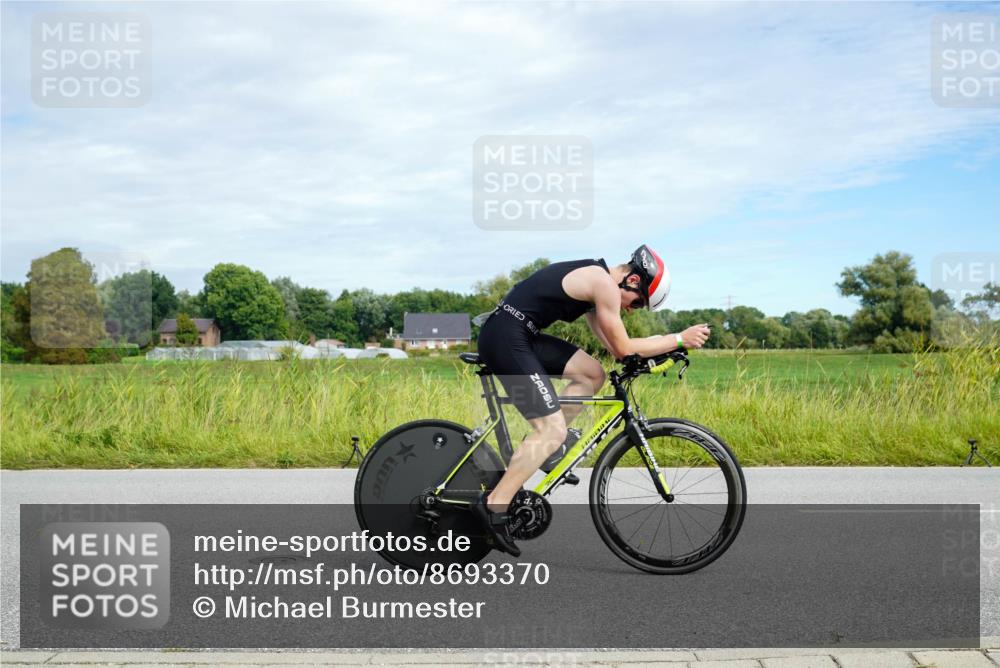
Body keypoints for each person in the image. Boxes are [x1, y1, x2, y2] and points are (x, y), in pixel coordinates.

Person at [471, 244, 712, 556]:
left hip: (518, 333)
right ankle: (494, 506)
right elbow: (625, 348)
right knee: (550, 429)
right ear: (634, 281)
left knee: (592, 374)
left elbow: (617, 348)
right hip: (506, 335)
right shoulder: (603, 285)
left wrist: (663, 346)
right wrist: (679, 338)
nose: (631, 309)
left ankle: (546, 450)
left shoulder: (598, 286)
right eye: (638, 303)